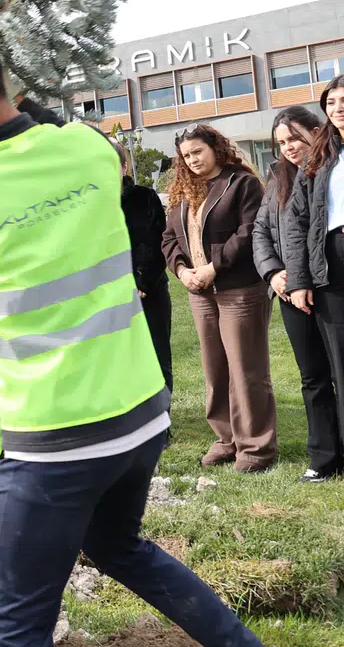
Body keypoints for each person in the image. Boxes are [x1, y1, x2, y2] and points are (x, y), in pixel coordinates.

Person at [0, 37, 260, 647]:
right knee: (118, 546)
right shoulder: (88, 149)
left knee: (12, 627)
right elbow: (51, 127)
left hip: (53, 438)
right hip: (141, 412)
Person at [162, 124, 275, 472]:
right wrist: (182, 270)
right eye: (186, 156)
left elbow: (249, 231)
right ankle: (226, 440)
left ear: (215, 148)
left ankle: (255, 449)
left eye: (198, 152)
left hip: (239, 288)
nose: (193, 160)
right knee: (215, 369)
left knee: (246, 370)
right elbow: (168, 238)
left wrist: (214, 267)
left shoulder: (242, 183)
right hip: (200, 291)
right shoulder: (184, 191)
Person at [256, 105, 340, 483]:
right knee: (313, 376)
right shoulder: (276, 178)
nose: (289, 148)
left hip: (328, 281)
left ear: (314, 130)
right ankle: (323, 456)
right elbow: (261, 232)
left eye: (294, 137)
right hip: (292, 290)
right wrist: (274, 273)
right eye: (282, 143)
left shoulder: (330, 168)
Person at [283, 76, 344, 482]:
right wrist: (298, 279)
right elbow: (296, 221)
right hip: (333, 265)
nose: (338, 106)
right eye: (332, 101)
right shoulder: (319, 158)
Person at [115, 141, 173, 392]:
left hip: (148, 293)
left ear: (124, 166)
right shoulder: (86, 203)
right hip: (107, 295)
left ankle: (162, 421)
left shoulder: (145, 197)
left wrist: (141, 281)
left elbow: (158, 241)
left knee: (156, 359)